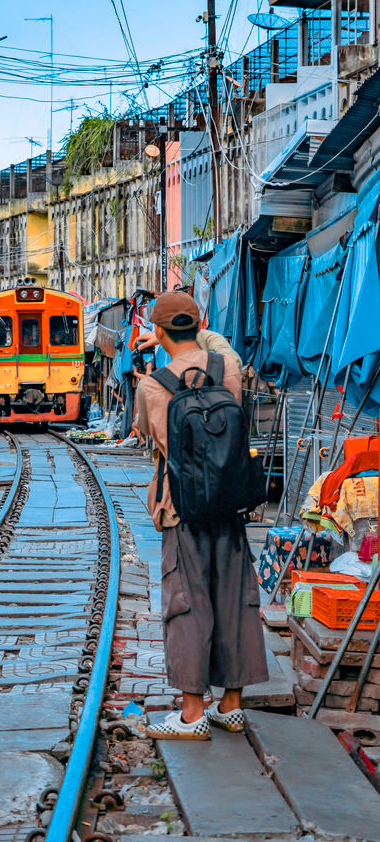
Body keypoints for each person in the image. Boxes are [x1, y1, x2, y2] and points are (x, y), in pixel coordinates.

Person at [134, 291, 267, 741]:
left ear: (159, 332)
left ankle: (192, 714)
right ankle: (231, 706)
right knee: (234, 600)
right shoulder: (226, 368)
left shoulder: (152, 386)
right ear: (200, 325)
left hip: (182, 510)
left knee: (187, 604)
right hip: (230, 506)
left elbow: (150, 439)